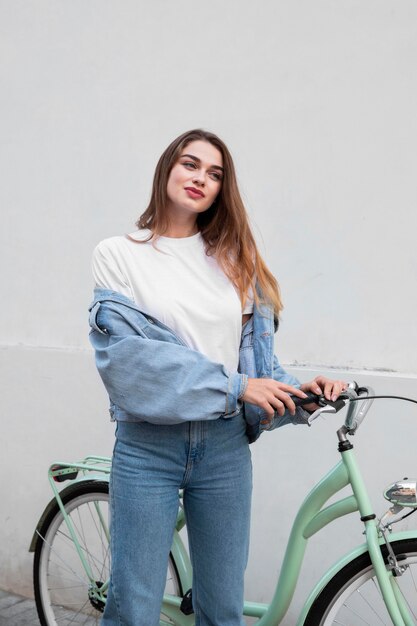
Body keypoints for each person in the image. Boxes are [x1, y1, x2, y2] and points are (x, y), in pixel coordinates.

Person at [89, 128, 346, 626]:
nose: (200, 178)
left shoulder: (235, 262)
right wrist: (236, 386)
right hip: (148, 447)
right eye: (190, 164)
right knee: (133, 607)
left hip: (226, 449)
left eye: (214, 174)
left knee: (223, 610)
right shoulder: (119, 254)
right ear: (167, 167)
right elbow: (127, 362)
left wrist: (302, 394)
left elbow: (256, 374)